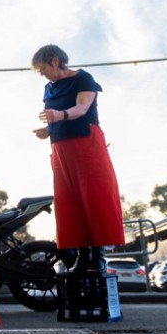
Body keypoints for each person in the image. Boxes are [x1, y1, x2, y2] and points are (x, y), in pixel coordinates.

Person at [31, 44, 124, 273]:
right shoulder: (48, 88)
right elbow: (55, 117)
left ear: (55, 61)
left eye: (43, 69)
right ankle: (82, 256)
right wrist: (48, 130)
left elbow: (81, 109)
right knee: (69, 201)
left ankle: (98, 257)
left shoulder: (83, 78)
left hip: (86, 144)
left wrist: (60, 115)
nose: (43, 74)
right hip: (60, 148)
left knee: (94, 198)